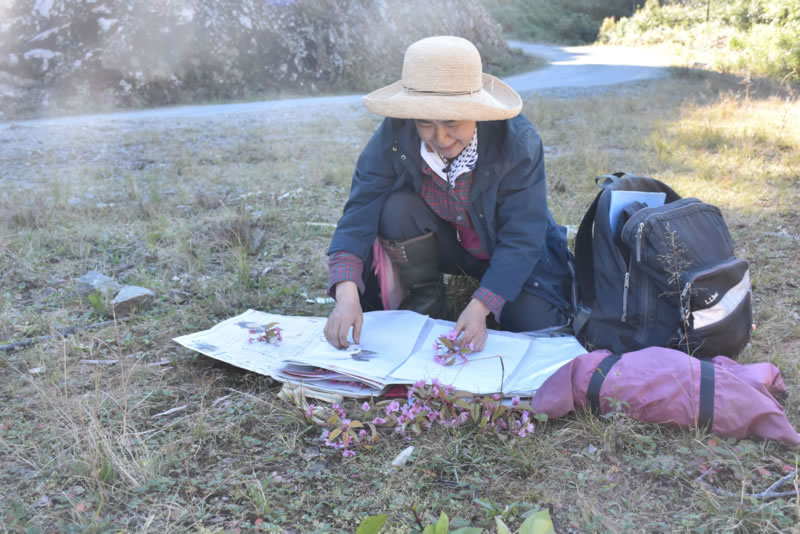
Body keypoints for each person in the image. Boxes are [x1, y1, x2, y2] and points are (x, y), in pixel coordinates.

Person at [323, 36, 573, 352]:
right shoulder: (397, 137)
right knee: (395, 207)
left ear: (478, 112)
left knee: (536, 326)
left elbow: (523, 237)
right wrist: (346, 293)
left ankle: (493, 295)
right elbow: (361, 208)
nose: (439, 137)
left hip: (506, 249)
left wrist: (482, 304)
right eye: (425, 123)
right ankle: (426, 298)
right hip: (448, 246)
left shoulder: (517, 144)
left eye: (452, 121)